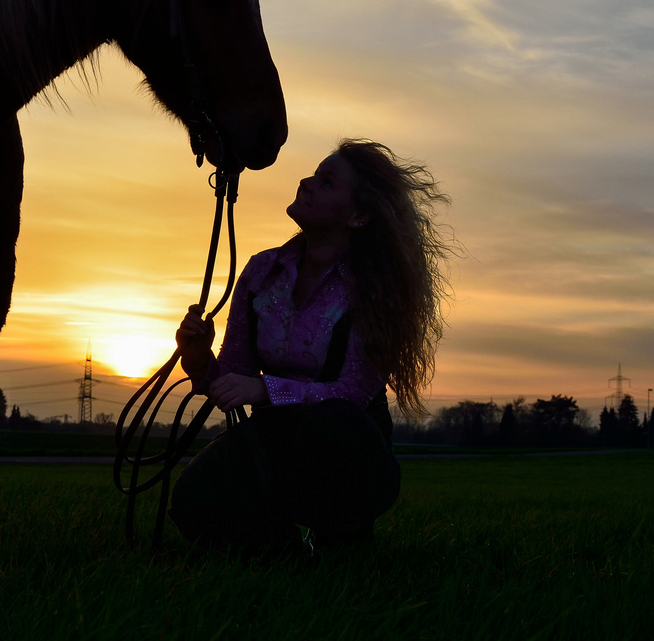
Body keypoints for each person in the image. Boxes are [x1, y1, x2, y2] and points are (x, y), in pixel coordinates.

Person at [169, 138, 451, 552]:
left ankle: (342, 539)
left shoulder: (374, 287)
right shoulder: (262, 270)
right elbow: (235, 377)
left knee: (334, 424)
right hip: (273, 435)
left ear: (357, 215)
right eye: (314, 175)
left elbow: (352, 392)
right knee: (194, 503)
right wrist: (198, 360)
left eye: (326, 182)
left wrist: (266, 390)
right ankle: (284, 550)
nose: (306, 183)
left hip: (347, 443)